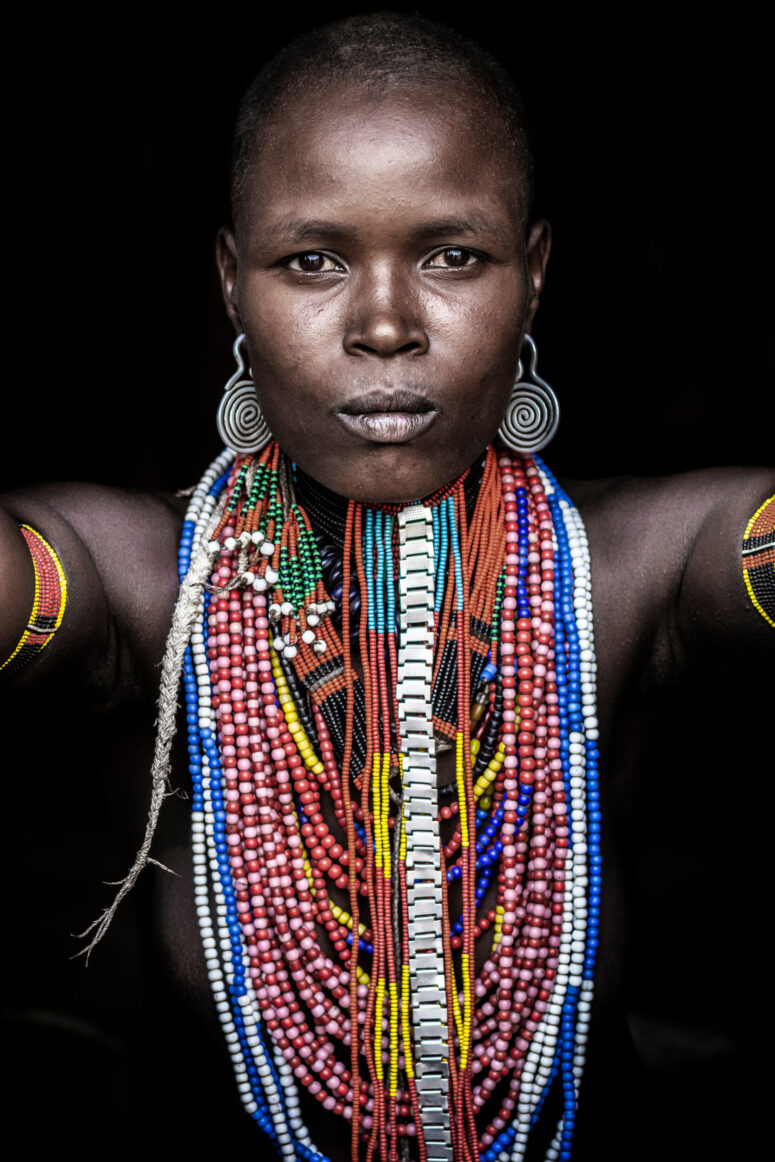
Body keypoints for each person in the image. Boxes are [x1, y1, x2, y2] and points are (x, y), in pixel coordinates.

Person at [1, 12, 772, 1162]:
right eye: (311, 259)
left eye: (451, 255)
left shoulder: (635, 565)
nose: (382, 325)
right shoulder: (132, 583)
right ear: (229, 282)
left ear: (535, 272)